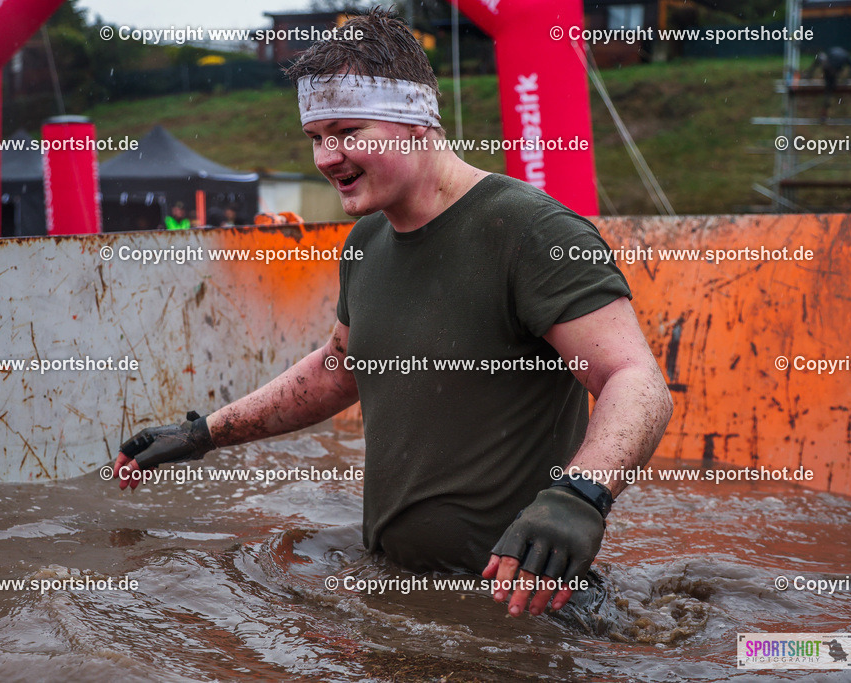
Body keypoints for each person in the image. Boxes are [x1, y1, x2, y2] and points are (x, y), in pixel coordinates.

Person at [112, 8, 673, 619]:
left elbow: (635, 380)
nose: (328, 157)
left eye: (348, 132)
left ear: (416, 121)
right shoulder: (368, 243)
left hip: (524, 608)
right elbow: (339, 368)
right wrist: (204, 433)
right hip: (398, 594)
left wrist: (579, 497)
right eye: (316, 138)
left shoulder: (529, 230)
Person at [807, 47, 851, 120]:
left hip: (833, 67)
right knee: (829, 88)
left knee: (829, 88)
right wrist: (848, 79)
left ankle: (824, 112)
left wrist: (848, 80)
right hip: (834, 64)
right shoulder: (840, 57)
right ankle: (809, 74)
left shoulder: (830, 64)